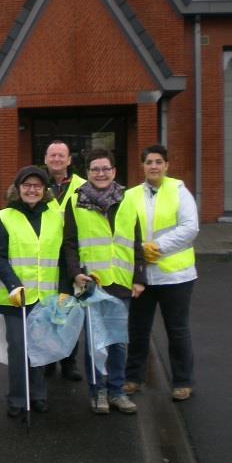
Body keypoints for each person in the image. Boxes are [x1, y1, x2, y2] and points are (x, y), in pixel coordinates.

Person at [62, 147, 145, 415]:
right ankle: (97, 391)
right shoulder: (77, 202)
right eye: (95, 169)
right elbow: (70, 243)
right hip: (92, 282)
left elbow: (136, 241)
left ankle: (117, 390)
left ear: (114, 171)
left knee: (118, 341)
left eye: (105, 169)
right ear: (87, 173)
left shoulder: (127, 200)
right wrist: (75, 273)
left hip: (121, 281)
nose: (100, 173)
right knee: (95, 341)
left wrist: (139, 277)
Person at [0, 166, 66, 416]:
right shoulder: (5, 216)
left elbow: (63, 256)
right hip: (15, 297)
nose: (32, 190)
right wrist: (14, 284)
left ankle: (38, 394)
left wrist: (65, 290)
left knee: (41, 347)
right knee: (19, 349)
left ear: (44, 191)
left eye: (37, 186)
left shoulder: (55, 217)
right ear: (18, 188)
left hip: (45, 296)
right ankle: (18, 398)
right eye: (27, 185)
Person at [123, 145, 198, 402]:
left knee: (177, 330)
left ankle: (182, 382)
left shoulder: (179, 191)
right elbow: (123, 230)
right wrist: (141, 253)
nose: (153, 166)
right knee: (138, 330)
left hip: (176, 277)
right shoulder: (131, 195)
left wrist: (159, 247)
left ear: (166, 165)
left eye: (158, 162)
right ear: (142, 166)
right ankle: (133, 378)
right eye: (149, 162)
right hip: (142, 276)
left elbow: (190, 227)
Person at [43, 140, 86, 381]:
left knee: (69, 311)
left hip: (71, 256)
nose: (57, 159)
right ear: (46, 158)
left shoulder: (82, 186)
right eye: (53, 155)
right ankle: (49, 360)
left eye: (62, 155)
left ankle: (69, 362)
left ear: (69, 160)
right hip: (44, 257)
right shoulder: (37, 183)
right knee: (49, 310)